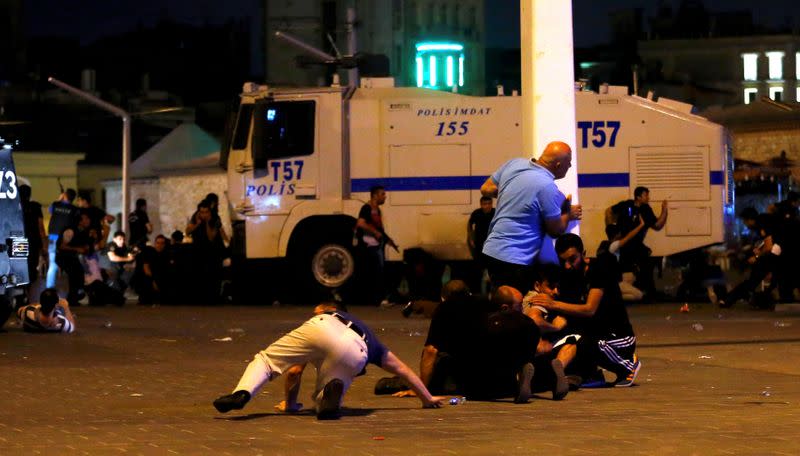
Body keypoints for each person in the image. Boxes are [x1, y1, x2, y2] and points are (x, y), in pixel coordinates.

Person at [212, 306, 445, 419]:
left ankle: (242, 392)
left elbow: (293, 371)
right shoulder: (372, 338)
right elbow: (403, 369)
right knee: (331, 390)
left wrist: (291, 405)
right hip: (357, 347)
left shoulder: (320, 317)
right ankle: (328, 397)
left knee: (266, 360)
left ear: (327, 309)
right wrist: (427, 398)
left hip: (322, 327)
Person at [530, 233, 641, 388]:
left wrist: (552, 305)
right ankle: (580, 375)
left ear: (583, 254)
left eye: (572, 259)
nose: (567, 265)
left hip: (619, 337)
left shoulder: (598, 269)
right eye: (563, 261)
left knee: (587, 343)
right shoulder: (567, 276)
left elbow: (589, 309)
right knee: (571, 340)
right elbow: (567, 311)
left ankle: (627, 365)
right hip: (593, 334)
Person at [480, 141, 582, 294]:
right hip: (515, 258)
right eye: (569, 162)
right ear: (558, 164)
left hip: (492, 250)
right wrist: (567, 213)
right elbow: (556, 230)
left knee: (501, 301)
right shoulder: (547, 187)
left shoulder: (514, 164)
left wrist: (514, 194)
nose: (571, 166)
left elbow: (486, 188)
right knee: (514, 307)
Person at [611, 186, 668, 299]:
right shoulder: (626, 204)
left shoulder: (646, 209)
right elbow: (609, 211)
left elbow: (657, 225)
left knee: (646, 265)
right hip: (624, 244)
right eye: (646, 195)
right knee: (625, 270)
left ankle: (649, 291)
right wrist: (611, 229)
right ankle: (621, 291)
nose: (648, 198)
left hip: (636, 244)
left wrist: (664, 211)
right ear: (638, 197)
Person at [354, 185, 399, 305]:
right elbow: (361, 223)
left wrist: (388, 240)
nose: (385, 196)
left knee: (377, 272)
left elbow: (378, 228)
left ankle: (376, 299)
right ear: (374, 195)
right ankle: (377, 299)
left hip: (376, 245)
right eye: (382, 194)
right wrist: (375, 233)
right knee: (376, 273)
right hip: (369, 245)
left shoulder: (377, 210)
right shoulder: (366, 208)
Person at [186, 201, 226, 303]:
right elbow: (187, 231)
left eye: (206, 212)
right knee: (199, 275)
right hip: (198, 250)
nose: (203, 214)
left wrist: (207, 223)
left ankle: (213, 298)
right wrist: (197, 224)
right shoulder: (196, 217)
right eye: (201, 212)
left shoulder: (215, 219)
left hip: (211, 251)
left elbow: (211, 237)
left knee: (212, 275)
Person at [56, 211, 92, 307]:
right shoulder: (70, 231)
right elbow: (61, 246)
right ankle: (72, 298)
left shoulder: (83, 231)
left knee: (78, 273)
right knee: (75, 273)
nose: (88, 221)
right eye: (86, 219)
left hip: (72, 257)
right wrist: (77, 249)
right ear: (80, 221)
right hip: (63, 257)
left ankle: (74, 297)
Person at [19, 184, 48, 301]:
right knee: (31, 268)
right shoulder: (35, 207)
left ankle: (20, 293)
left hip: (18, 240)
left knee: (19, 266)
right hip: (33, 242)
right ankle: (27, 292)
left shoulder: (15, 206)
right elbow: (41, 227)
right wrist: (44, 246)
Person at [46, 188, 79, 288]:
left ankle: (49, 288)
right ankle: (73, 289)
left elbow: (49, 210)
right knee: (70, 265)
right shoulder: (74, 209)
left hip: (53, 237)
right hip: (67, 239)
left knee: (53, 264)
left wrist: (60, 198)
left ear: (64, 195)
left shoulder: (56, 205)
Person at [133, 234, 172, 305]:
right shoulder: (149, 252)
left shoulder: (166, 254)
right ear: (155, 243)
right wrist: (153, 282)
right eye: (158, 243)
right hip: (150, 278)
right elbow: (146, 268)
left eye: (162, 243)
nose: (160, 245)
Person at [467, 196, 495, 293]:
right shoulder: (477, 213)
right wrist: (470, 237)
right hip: (479, 246)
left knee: (493, 271)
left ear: (491, 204)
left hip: (492, 246)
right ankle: (477, 293)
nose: (487, 206)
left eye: (489, 204)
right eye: (484, 204)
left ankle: (493, 292)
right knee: (478, 271)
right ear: (481, 204)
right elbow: (470, 224)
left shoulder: (495, 213)